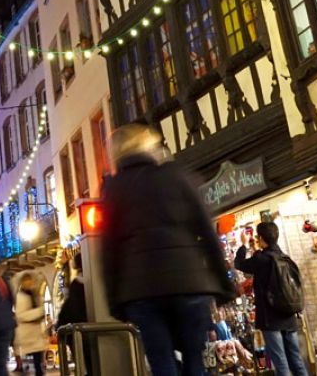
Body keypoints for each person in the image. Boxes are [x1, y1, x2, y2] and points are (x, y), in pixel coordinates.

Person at [100, 124, 233, 376]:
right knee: (195, 359)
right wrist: (223, 283)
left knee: (162, 362)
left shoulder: (115, 190)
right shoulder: (176, 176)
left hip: (142, 291)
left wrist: (114, 300)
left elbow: (109, 251)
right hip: (188, 284)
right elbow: (206, 232)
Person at [235, 222, 308, 376]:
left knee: (281, 363)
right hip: (289, 315)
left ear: (260, 238)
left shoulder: (262, 259)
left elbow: (239, 263)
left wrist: (243, 245)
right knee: (296, 360)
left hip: (271, 319)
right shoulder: (284, 257)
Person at [54, 255, 90, 375]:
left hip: (79, 330)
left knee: (84, 362)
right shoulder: (91, 281)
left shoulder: (77, 284)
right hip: (86, 329)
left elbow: (71, 307)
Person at [13, 273, 46, 376]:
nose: (29, 282)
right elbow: (21, 315)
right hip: (26, 337)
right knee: (29, 365)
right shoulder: (20, 297)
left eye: (30, 280)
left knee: (38, 365)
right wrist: (38, 312)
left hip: (35, 336)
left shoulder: (34, 295)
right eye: (27, 280)